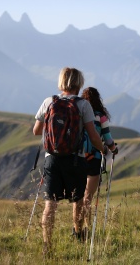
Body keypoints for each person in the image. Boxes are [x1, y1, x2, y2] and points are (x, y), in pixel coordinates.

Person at [33, 68, 106, 255]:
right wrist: (103, 149)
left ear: (61, 81)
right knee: (78, 200)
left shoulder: (49, 101)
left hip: (52, 159)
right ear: (79, 83)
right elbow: (93, 135)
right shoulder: (83, 105)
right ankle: (78, 233)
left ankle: (46, 245)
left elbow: (36, 131)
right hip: (75, 159)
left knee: (50, 204)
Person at [77, 87, 118, 236]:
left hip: (79, 157)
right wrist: (113, 149)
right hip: (94, 159)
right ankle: (87, 228)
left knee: (79, 196)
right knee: (88, 196)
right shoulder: (101, 117)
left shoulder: (79, 113)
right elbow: (107, 139)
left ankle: (77, 228)